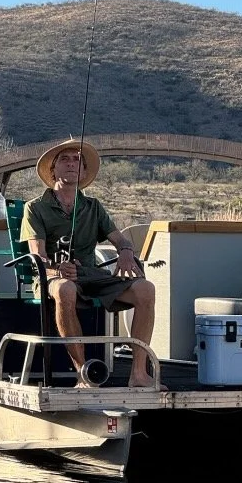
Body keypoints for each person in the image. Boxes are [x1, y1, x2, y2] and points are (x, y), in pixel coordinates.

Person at [19, 138, 161, 388]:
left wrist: (126, 251)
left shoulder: (93, 206)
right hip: (50, 277)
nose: (72, 164)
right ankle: (83, 375)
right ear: (53, 169)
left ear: (83, 171)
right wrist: (58, 267)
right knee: (65, 288)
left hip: (91, 275)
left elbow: (119, 239)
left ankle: (138, 373)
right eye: (65, 159)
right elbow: (38, 256)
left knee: (145, 289)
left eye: (77, 160)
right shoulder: (35, 208)